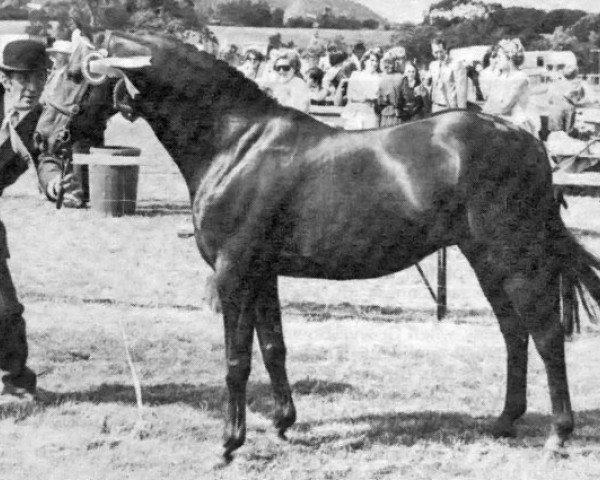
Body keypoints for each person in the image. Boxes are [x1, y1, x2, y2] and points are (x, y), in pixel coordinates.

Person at [0, 39, 75, 408]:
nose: (31, 87)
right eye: (23, 79)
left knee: (5, 310)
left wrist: (52, 181)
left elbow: (45, 155)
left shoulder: (36, 119)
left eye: (39, 77)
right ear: (5, 78)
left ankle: (17, 384)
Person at [482, 38, 538, 136]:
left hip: (517, 126)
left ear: (509, 58)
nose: (496, 61)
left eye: (500, 57)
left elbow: (505, 107)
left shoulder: (520, 78)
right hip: (500, 123)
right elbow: (489, 103)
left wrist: (488, 112)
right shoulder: (500, 77)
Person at [340, 49, 381, 130]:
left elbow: (376, 97)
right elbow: (350, 96)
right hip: (354, 113)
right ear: (365, 61)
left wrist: (366, 98)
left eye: (377, 61)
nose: (375, 63)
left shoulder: (379, 78)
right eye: (372, 60)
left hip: (370, 113)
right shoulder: (355, 75)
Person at [429, 38, 468, 113]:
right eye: (435, 52)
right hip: (436, 107)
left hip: (450, 109)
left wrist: (461, 112)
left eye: (441, 51)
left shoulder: (456, 65)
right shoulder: (432, 65)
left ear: (445, 50)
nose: (439, 55)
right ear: (432, 52)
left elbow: (461, 91)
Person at [377, 51, 403, 127]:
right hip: (383, 113)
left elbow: (403, 95)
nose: (389, 66)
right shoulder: (379, 77)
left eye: (391, 62)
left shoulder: (399, 77)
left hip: (396, 113)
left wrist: (397, 104)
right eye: (387, 62)